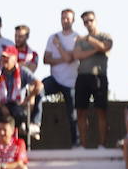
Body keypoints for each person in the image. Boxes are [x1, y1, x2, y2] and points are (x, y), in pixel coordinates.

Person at [38, 10, 80, 147]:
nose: (65, 21)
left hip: (71, 82)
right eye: (63, 18)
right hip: (55, 79)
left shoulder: (77, 38)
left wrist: (58, 45)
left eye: (68, 18)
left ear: (73, 20)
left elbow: (70, 58)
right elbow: (46, 59)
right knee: (38, 89)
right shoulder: (53, 37)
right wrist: (64, 58)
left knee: (72, 114)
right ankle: (35, 123)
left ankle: (76, 142)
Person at [73, 12, 112, 149]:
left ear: (96, 20)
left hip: (99, 76)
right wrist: (96, 50)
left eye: (90, 20)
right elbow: (77, 55)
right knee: (80, 111)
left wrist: (90, 39)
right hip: (82, 76)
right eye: (85, 22)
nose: (88, 23)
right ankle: (83, 145)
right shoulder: (80, 39)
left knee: (101, 111)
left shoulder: (105, 36)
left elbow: (105, 47)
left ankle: (102, 144)